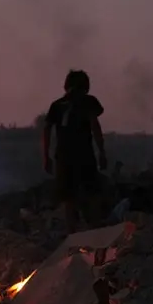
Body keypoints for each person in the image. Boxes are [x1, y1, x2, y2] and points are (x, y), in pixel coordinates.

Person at [42, 69, 108, 231]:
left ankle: (73, 234)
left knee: (68, 199)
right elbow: (95, 126)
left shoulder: (57, 105)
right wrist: (102, 152)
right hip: (84, 155)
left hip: (63, 157)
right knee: (93, 194)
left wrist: (46, 157)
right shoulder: (88, 102)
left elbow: (46, 131)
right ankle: (95, 230)